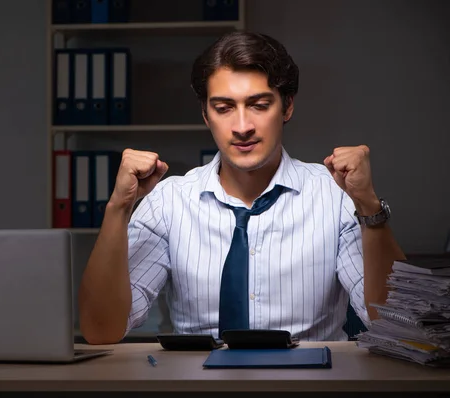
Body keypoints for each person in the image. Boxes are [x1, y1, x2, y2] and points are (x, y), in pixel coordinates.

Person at [78, 31, 406, 345]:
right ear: (205, 115)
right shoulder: (168, 202)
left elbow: (394, 323)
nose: (242, 127)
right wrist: (118, 208)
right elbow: (101, 330)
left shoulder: (335, 197)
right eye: (223, 108)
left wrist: (367, 206)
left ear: (287, 107)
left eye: (259, 105)